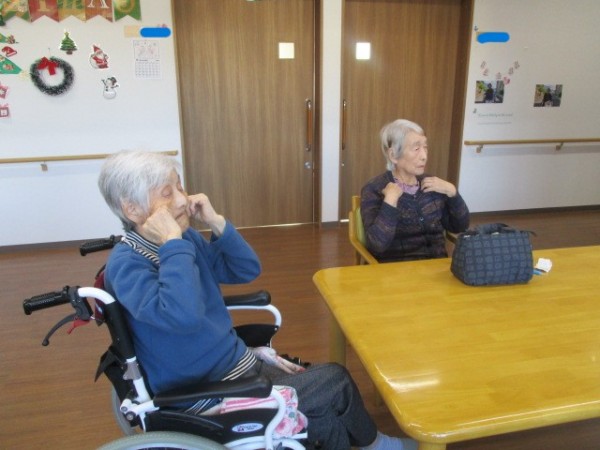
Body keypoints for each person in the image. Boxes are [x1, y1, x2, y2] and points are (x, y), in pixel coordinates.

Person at [98, 150, 417, 450]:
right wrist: (172, 244)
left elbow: (245, 268)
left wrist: (216, 221)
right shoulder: (128, 264)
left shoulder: (185, 240)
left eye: (180, 187)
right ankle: (378, 445)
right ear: (132, 209)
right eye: (167, 193)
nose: (183, 199)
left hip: (235, 365)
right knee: (335, 382)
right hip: (202, 394)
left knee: (324, 412)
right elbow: (183, 315)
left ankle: (372, 444)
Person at [361, 119, 470, 263]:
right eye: (416, 149)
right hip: (397, 270)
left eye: (425, 147)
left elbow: (460, 226)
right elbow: (376, 244)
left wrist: (453, 193)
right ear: (393, 155)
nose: (424, 156)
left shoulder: (433, 184)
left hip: (437, 267)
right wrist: (390, 201)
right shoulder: (374, 188)